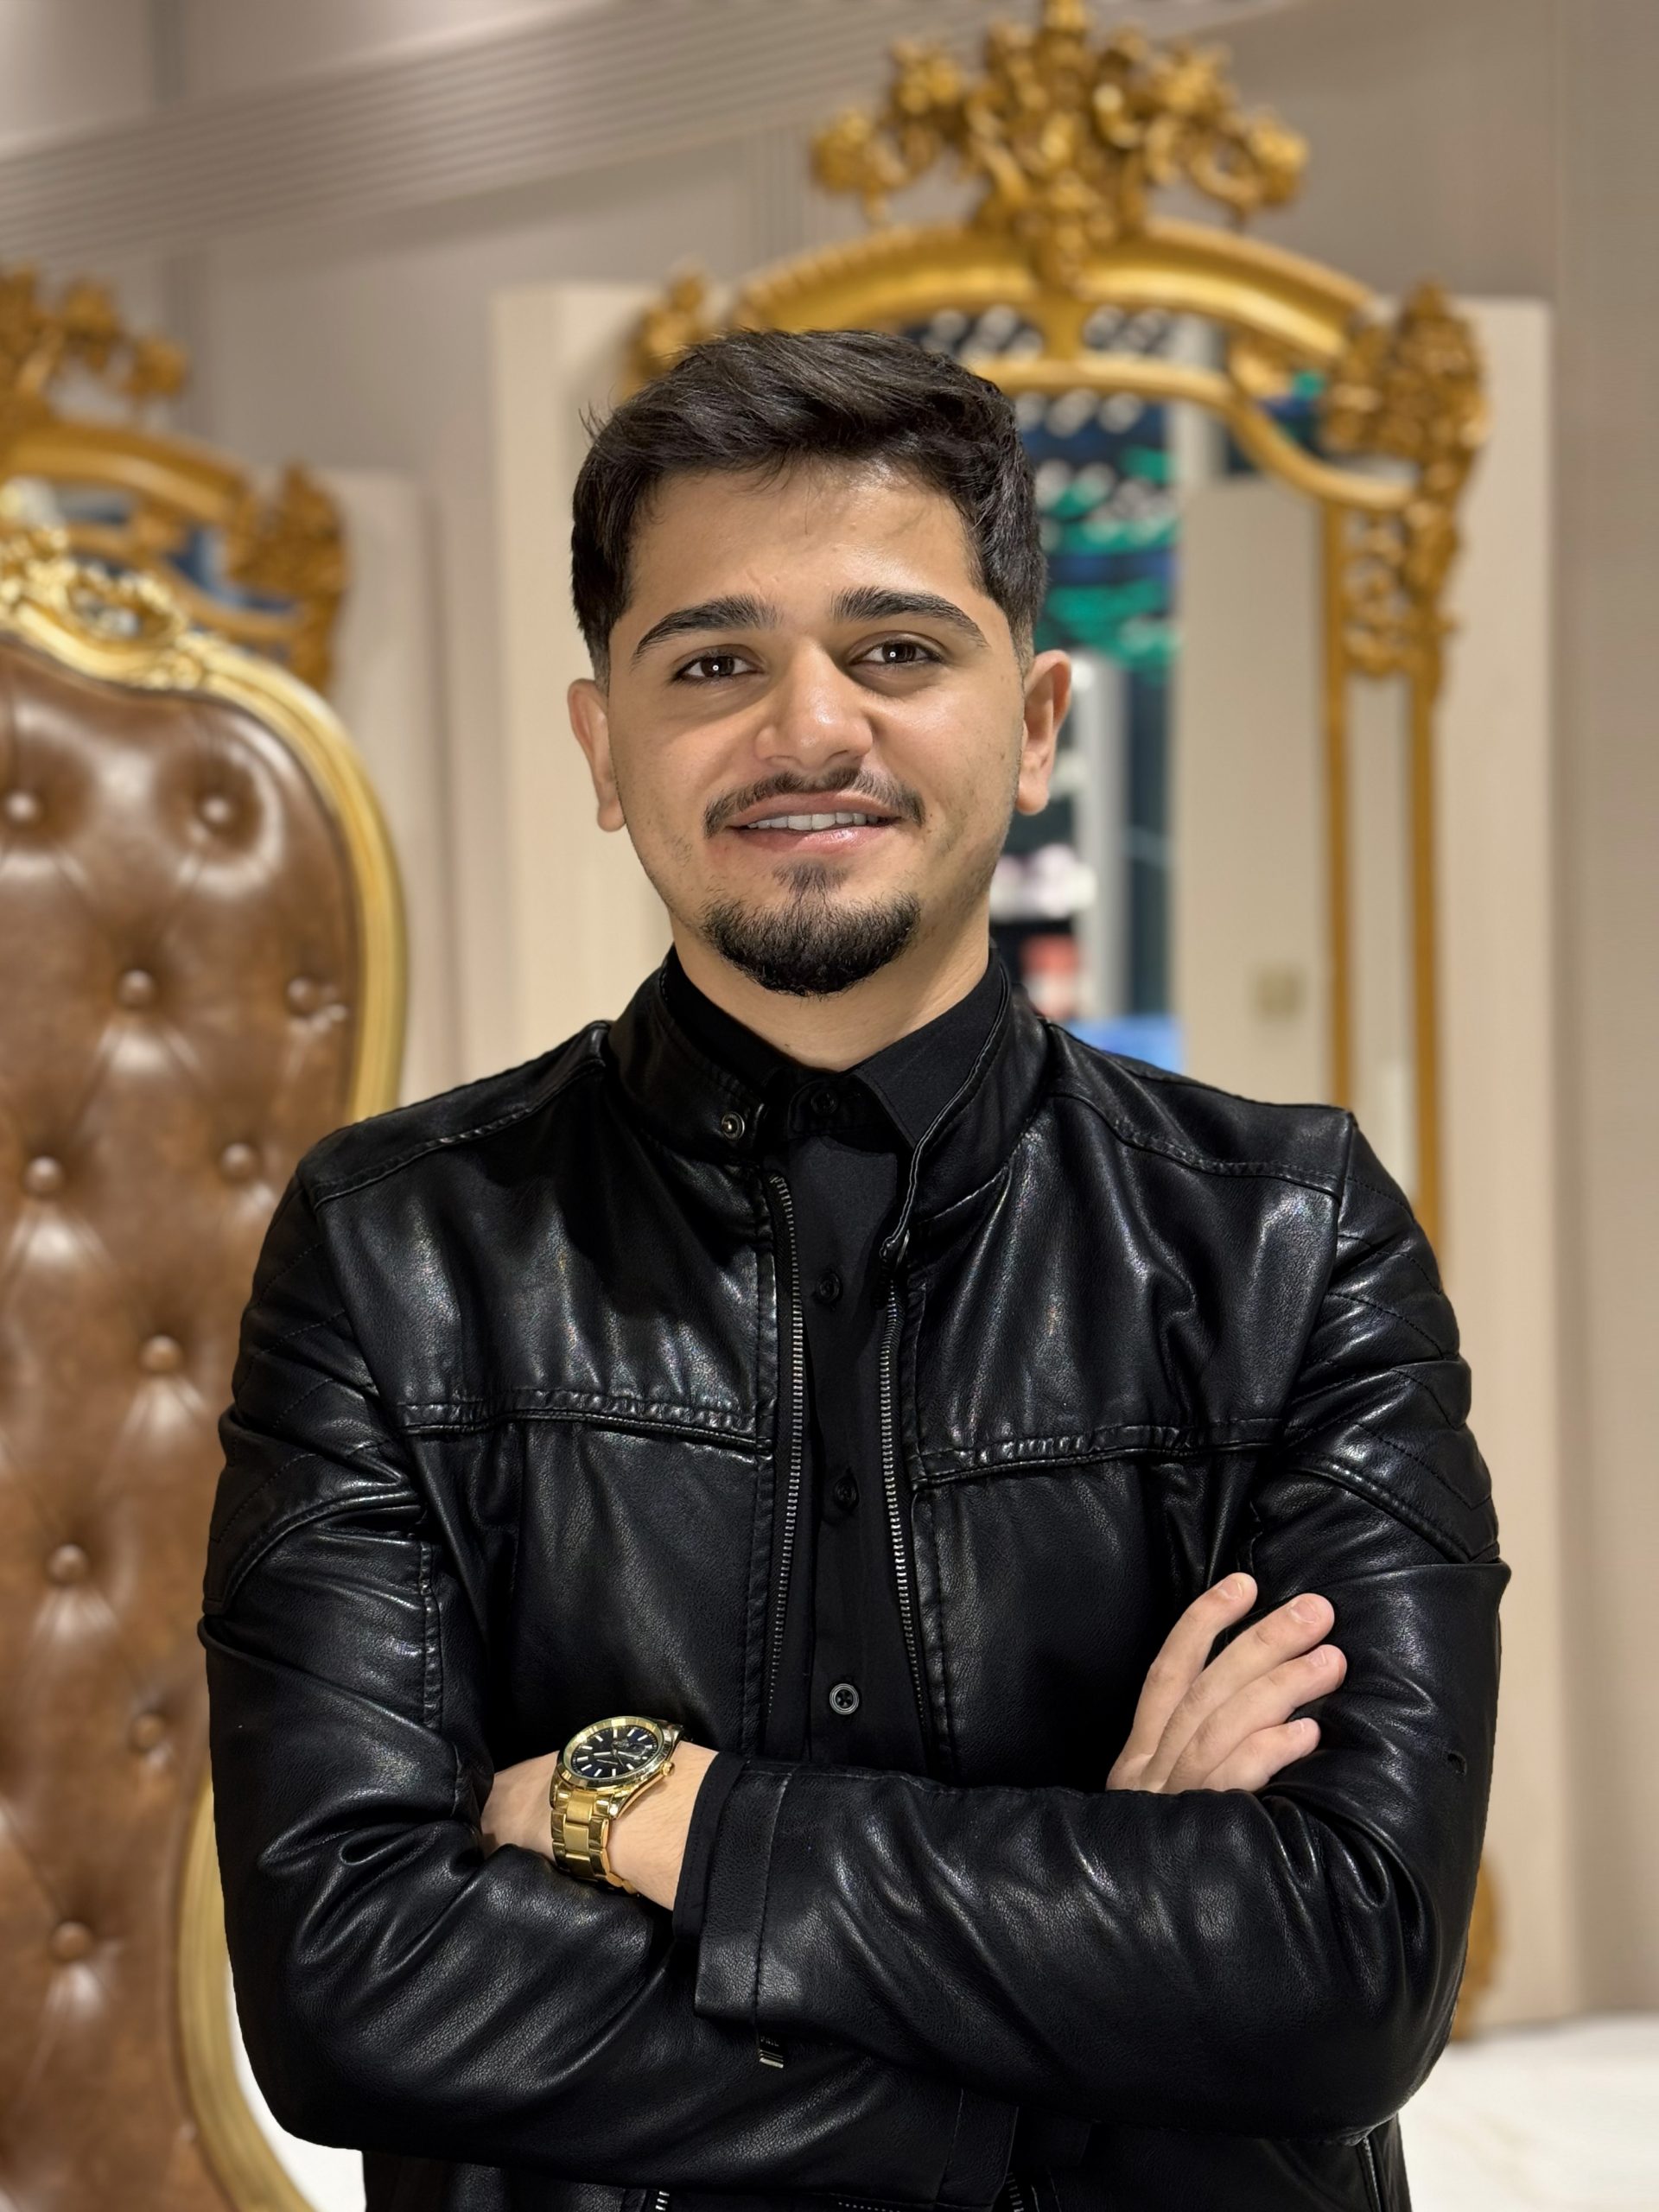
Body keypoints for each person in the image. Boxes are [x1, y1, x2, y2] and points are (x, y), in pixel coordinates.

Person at [202, 329, 1508, 2212]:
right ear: (603, 745)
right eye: (712, 662)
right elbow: (353, 1982)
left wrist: (658, 1811)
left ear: (1036, 724)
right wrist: (1104, 1986)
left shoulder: (1289, 1235)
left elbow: (1350, 1964)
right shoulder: (401, 1245)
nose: (810, 728)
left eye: (896, 650)